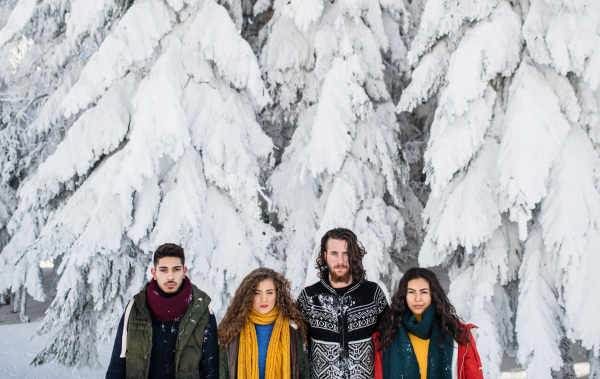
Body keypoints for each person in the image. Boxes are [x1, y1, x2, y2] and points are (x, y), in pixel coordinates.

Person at [105, 243, 218, 379]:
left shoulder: (202, 312)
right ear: (154, 273)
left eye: (176, 269)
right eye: (163, 270)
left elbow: (210, 371)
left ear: (184, 272)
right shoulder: (135, 309)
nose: (170, 277)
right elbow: (117, 368)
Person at [297, 228, 389, 379]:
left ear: (354, 256)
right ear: (325, 256)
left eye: (346, 254)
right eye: (334, 254)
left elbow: (392, 340)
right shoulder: (309, 298)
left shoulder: (372, 295)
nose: (340, 261)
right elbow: (297, 349)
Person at [374, 267, 484, 379]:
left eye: (424, 292)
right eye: (411, 292)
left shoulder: (459, 335)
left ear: (433, 294)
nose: (418, 298)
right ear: (404, 295)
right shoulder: (386, 335)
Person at [217, 267, 309, 379]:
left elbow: (304, 372)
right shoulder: (233, 329)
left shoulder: (293, 329)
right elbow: (223, 373)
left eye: (269, 293)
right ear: (248, 296)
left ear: (277, 295)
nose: (263, 299)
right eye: (257, 293)